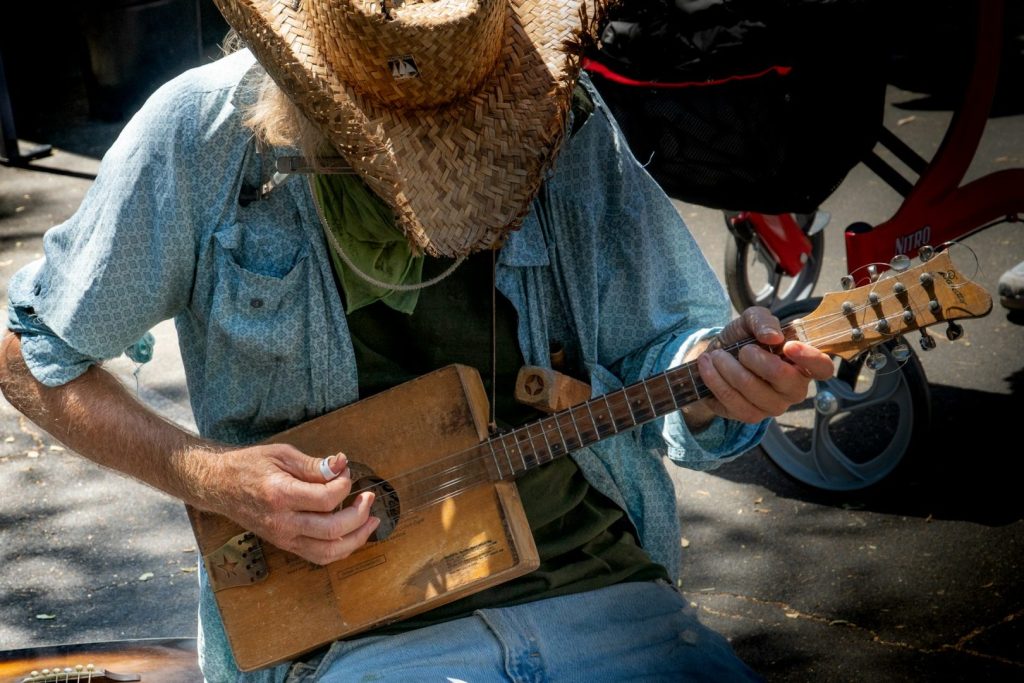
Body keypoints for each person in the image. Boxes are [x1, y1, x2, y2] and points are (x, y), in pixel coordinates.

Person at [0, 1, 834, 681]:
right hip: (355, 644)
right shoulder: (200, 140)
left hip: (604, 596)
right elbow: (27, 350)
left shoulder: (553, 115)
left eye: (460, 126)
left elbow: (668, 350)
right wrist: (211, 477)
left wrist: (724, 382)